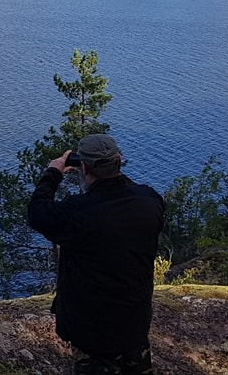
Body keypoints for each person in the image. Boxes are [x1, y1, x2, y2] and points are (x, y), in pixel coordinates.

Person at [27, 134, 166, 375]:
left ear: (83, 168)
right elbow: (129, 195)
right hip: (135, 323)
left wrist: (53, 172)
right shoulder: (150, 201)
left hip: (92, 332)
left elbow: (37, 212)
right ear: (119, 161)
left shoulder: (77, 213)